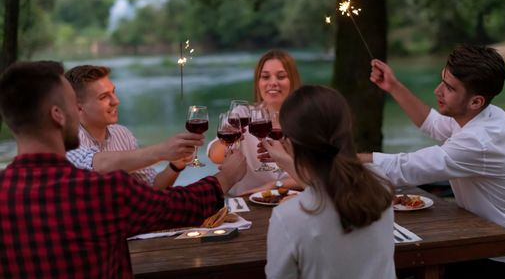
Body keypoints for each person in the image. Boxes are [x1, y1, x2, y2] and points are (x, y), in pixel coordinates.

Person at [0, 61, 246, 279]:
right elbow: (179, 206)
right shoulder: (103, 190)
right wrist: (225, 178)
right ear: (58, 115)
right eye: (71, 106)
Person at [360, 45, 505, 276]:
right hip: (481, 238)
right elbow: (433, 123)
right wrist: (393, 86)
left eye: (449, 88)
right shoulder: (488, 114)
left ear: (476, 101)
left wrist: (340, 159)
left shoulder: (480, 140)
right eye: (442, 80)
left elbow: (403, 167)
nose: (438, 91)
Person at [264, 85, 395, 279]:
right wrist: (286, 161)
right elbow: (329, 185)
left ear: (290, 143)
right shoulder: (380, 184)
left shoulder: (288, 217)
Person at [64, 65, 190, 190]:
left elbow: (152, 186)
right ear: (78, 108)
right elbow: (97, 166)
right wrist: (162, 151)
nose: (116, 101)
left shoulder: (122, 134)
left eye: (113, 92)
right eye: (103, 97)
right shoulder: (66, 138)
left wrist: (175, 165)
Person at [207, 49, 302, 196]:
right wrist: (225, 140)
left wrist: (274, 185)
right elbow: (215, 157)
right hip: (245, 203)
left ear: (293, 80)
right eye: (265, 77)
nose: (273, 83)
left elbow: (318, 175)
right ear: (258, 82)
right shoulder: (242, 114)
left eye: (281, 76)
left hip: (292, 200)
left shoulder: (307, 120)